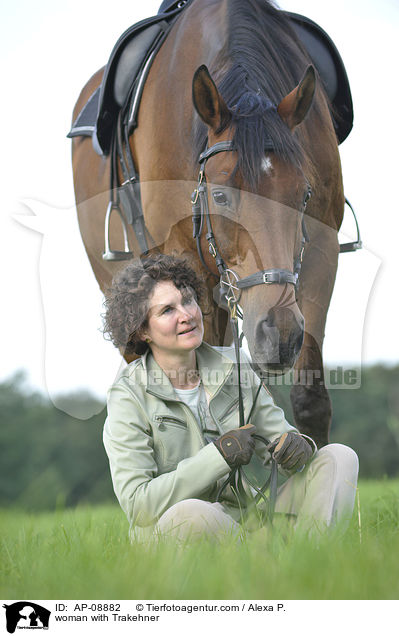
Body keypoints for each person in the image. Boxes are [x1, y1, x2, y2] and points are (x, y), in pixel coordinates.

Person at [102, 254, 359, 542]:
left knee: (339, 457)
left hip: (245, 525)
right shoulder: (128, 395)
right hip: (178, 533)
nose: (186, 315)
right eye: (167, 311)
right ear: (142, 330)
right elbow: (139, 505)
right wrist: (218, 456)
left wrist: (299, 447)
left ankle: (308, 565)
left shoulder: (235, 365)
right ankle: (266, 566)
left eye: (188, 300)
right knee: (191, 513)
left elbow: (279, 436)